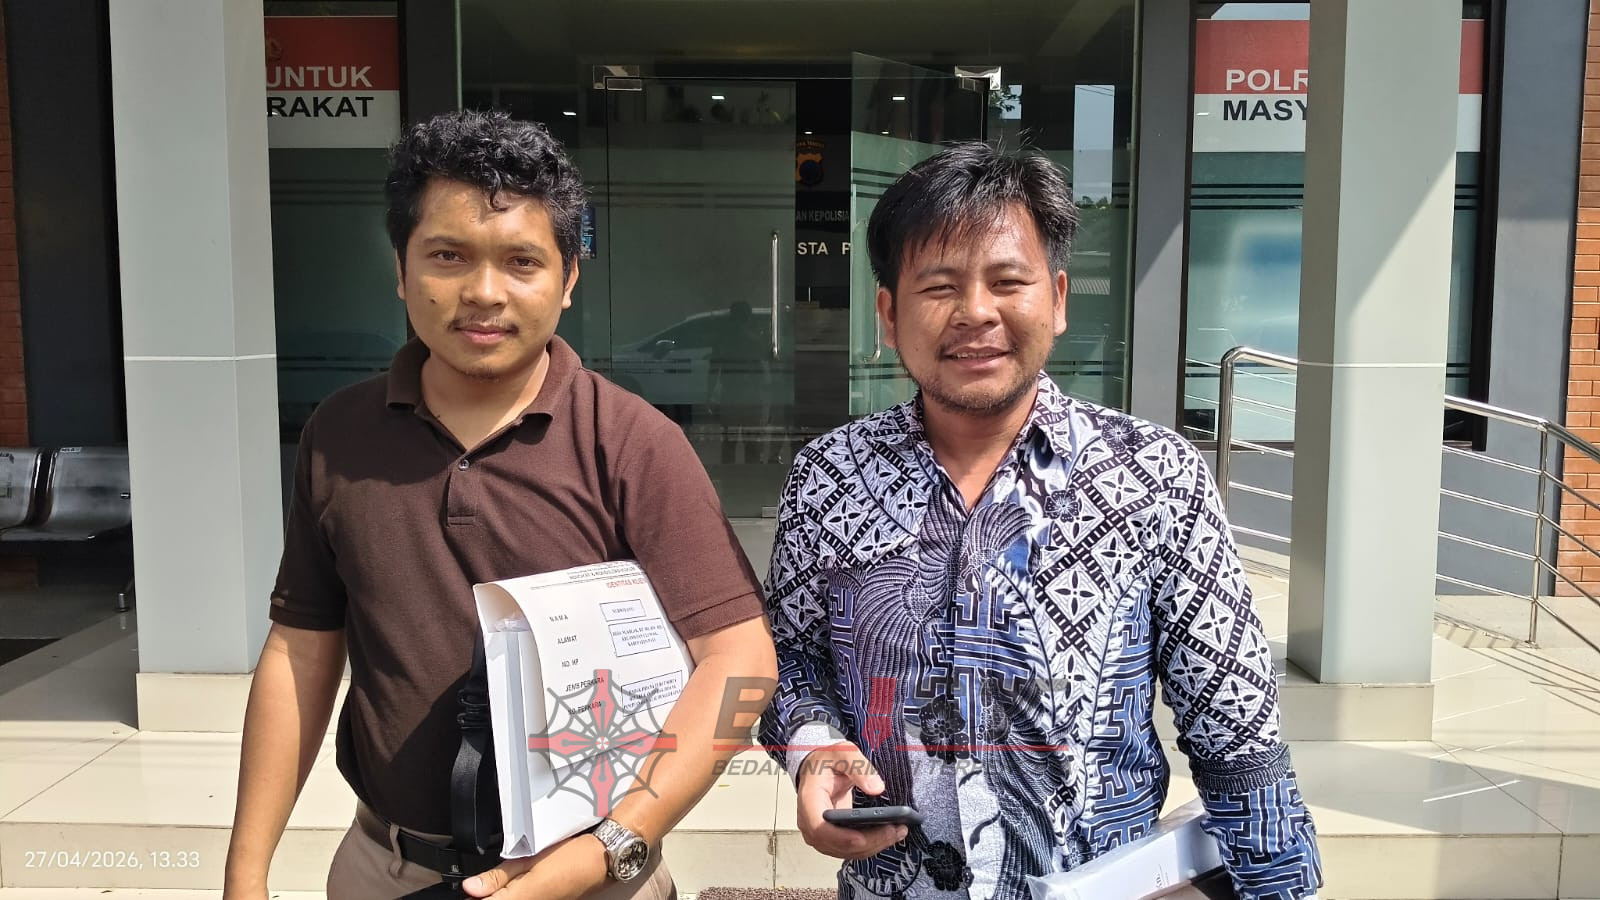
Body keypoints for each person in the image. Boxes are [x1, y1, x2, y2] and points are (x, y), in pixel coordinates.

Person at [223, 110, 777, 900]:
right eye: (448, 256)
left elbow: (742, 662)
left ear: (569, 278)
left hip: (592, 875)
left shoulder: (632, 442)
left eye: (522, 261)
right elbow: (300, 649)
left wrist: (616, 844)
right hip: (385, 868)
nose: (484, 293)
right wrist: (246, 872)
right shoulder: (339, 435)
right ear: (401, 268)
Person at [759, 143, 1321, 900]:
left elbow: (1238, 734)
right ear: (889, 315)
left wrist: (1280, 885)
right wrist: (814, 748)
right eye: (940, 286)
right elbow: (789, 659)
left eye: (1007, 281)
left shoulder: (1153, 477)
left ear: (1056, 298)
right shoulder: (830, 477)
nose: (975, 312)